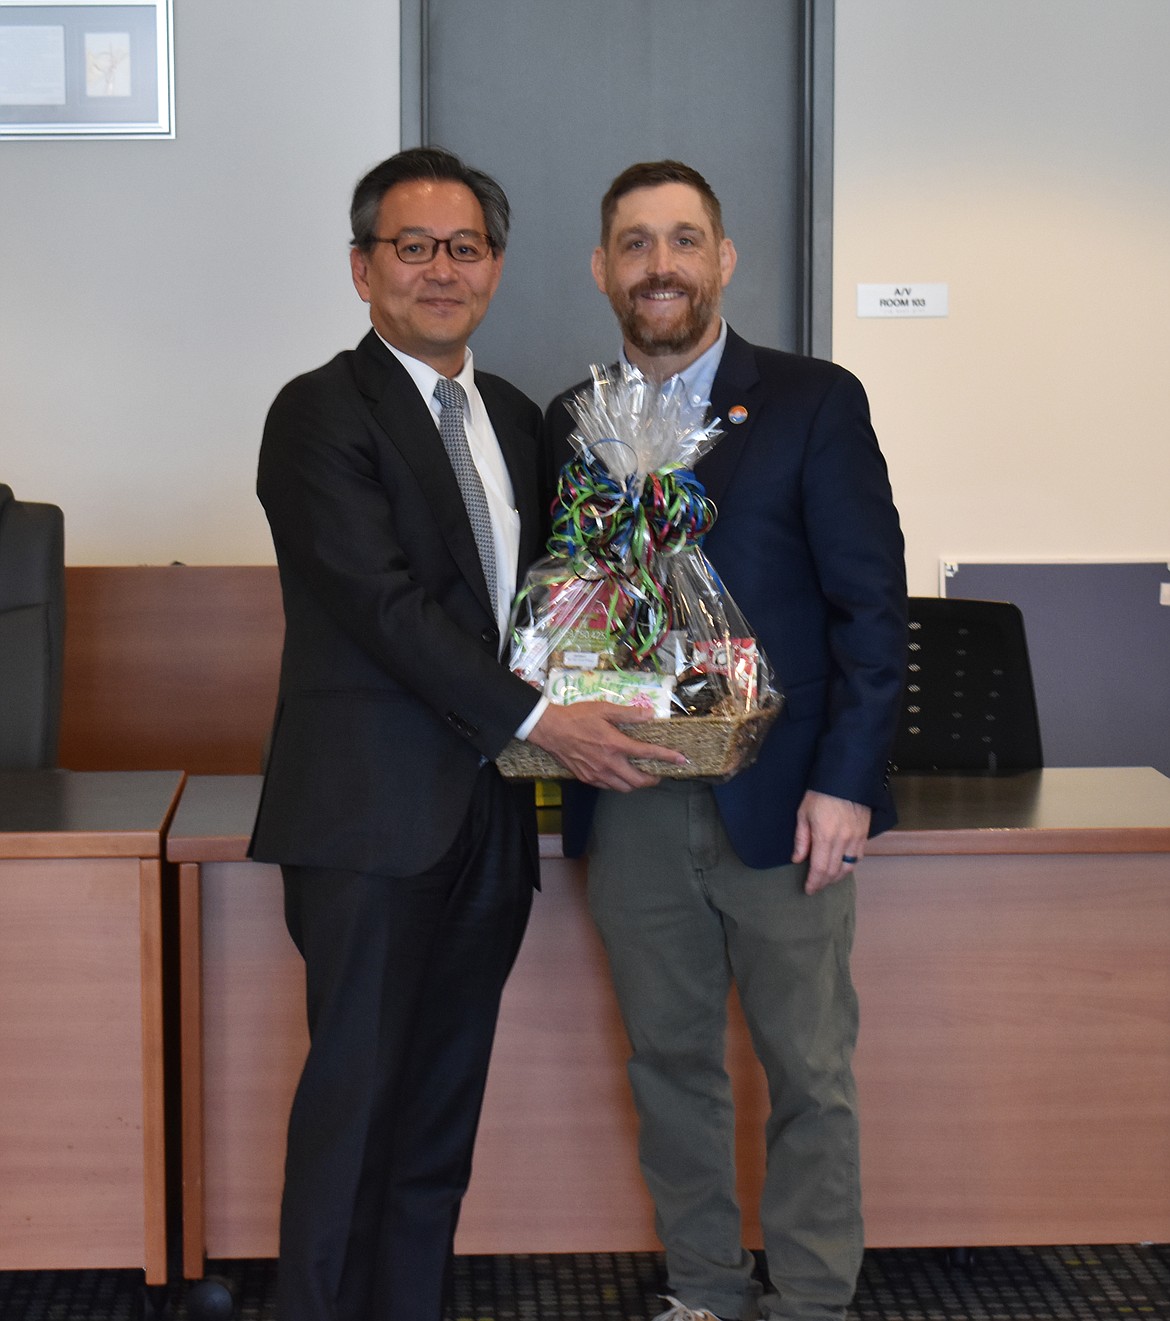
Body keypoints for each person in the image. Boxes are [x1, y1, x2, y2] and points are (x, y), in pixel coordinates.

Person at [249, 147, 681, 1321]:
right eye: (412, 247)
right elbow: (383, 607)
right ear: (362, 268)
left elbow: (553, 602)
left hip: (489, 818)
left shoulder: (512, 416)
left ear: (494, 265)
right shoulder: (317, 413)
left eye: (466, 248)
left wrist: (654, 634)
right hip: (368, 822)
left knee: (440, 1115)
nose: (441, 270)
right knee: (353, 1108)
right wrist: (547, 719)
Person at [545, 161, 908, 1321]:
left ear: (723, 260)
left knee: (809, 1070)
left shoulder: (812, 401)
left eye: (684, 240)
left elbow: (872, 609)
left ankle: (808, 1299)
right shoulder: (574, 419)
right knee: (671, 1067)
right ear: (603, 269)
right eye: (637, 244)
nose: (662, 265)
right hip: (633, 793)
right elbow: (558, 607)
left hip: (787, 805)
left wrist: (847, 784)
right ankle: (701, 1289)